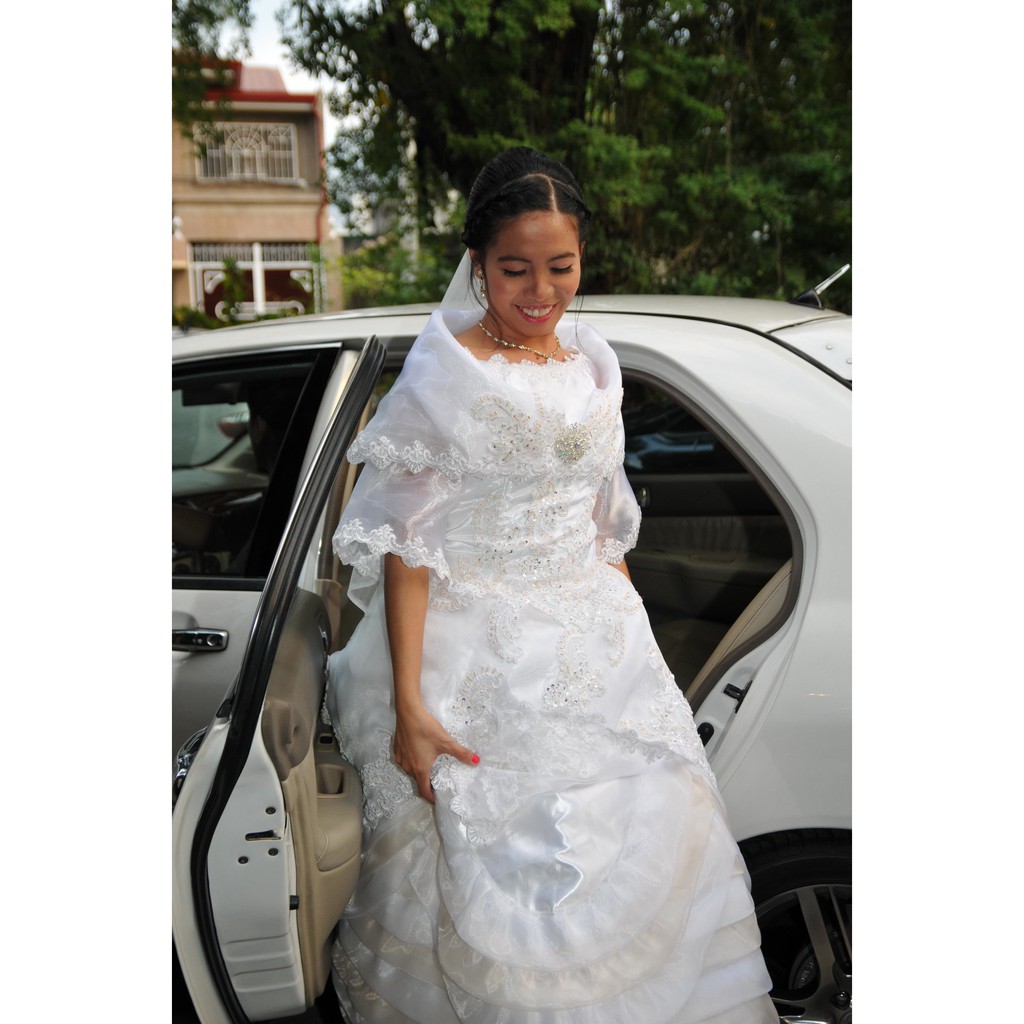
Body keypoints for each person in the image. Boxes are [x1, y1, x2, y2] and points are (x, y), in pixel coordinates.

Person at [324, 146, 777, 1023]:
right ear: (478, 263)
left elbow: (604, 525)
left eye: (560, 268)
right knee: (491, 878)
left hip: (599, 656)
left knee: (662, 840)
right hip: (478, 659)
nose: (539, 292)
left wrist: (632, 645)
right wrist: (412, 706)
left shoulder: (593, 361)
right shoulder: (445, 370)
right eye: (514, 270)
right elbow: (409, 549)